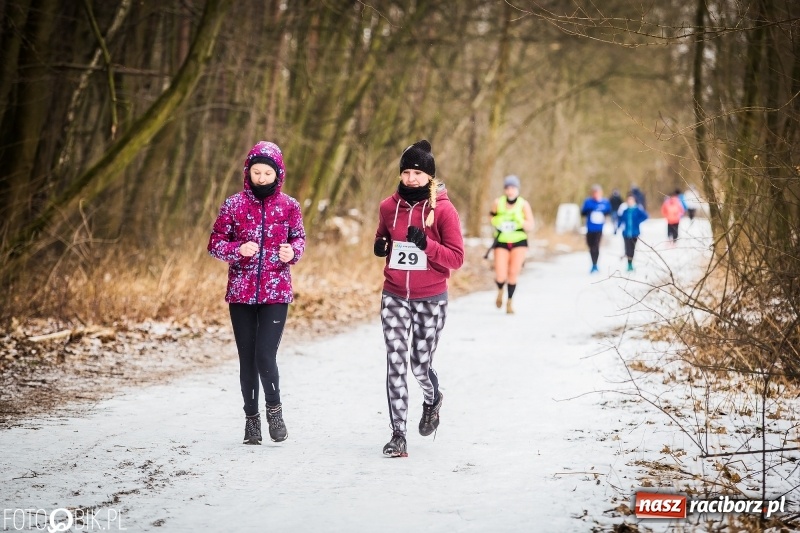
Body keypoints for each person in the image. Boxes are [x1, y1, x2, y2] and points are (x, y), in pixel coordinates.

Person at [208, 141, 306, 445]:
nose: (261, 177)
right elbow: (215, 244)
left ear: (278, 174)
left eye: (267, 172)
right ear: (247, 172)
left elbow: (299, 239)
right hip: (241, 293)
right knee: (247, 360)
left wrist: (293, 252)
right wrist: (238, 249)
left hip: (277, 292)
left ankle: (274, 410)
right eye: (256, 172)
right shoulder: (233, 204)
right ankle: (252, 421)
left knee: (265, 355)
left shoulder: (289, 206)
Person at [373, 139, 464, 458]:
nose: (411, 178)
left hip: (431, 298)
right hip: (394, 294)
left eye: (417, 173)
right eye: (406, 172)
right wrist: (380, 244)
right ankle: (398, 435)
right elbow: (384, 234)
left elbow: (456, 259)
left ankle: (432, 399)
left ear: (430, 177)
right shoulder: (388, 206)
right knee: (395, 361)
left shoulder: (444, 210)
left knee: (419, 364)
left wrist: (427, 245)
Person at [490, 175, 534, 314]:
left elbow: (530, 225)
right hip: (501, 241)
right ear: (504, 189)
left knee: (513, 273)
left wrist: (519, 221)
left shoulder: (523, 204)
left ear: (517, 189)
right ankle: (500, 290)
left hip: (519, 241)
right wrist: (498, 222)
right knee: (500, 274)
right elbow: (491, 217)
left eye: (513, 188)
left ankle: (509, 302)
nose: (510, 191)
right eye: (508, 188)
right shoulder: (498, 202)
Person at [580, 184, 611, 273]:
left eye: (598, 193)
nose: (596, 194)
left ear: (601, 193)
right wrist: (589, 210)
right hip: (590, 228)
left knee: (596, 246)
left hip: (599, 228)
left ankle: (595, 264)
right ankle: (593, 263)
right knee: (590, 246)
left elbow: (608, 212)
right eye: (594, 193)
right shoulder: (588, 202)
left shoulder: (605, 202)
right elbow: (582, 212)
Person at [616, 192, 649, 271]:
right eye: (628, 200)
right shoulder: (625, 211)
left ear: (634, 201)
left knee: (632, 249)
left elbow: (645, 216)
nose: (630, 201)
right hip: (626, 233)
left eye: (631, 200)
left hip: (635, 233)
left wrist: (638, 221)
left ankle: (630, 264)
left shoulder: (637, 209)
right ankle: (629, 263)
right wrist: (617, 227)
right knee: (627, 249)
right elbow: (621, 220)